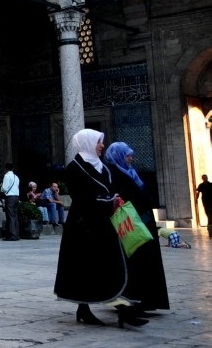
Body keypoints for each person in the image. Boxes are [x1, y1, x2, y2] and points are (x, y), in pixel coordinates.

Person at [53, 129, 146, 328]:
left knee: (110, 266)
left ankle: (124, 311)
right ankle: (85, 308)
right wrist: (107, 202)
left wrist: (116, 199)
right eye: (98, 142)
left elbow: (111, 189)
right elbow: (81, 198)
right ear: (88, 143)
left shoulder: (103, 166)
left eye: (102, 142)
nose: (102, 145)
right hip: (84, 227)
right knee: (87, 269)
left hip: (105, 225)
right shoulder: (74, 168)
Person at [105, 141, 169, 315]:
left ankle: (148, 300)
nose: (131, 158)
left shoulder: (131, 173)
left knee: (148, 262)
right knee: (135, 264)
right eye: (127, 155)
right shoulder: (113, 175)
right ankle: (133, 301)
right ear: (118, 156)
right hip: (131, 226)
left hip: (145, 222)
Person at [0, 162, 20, 241]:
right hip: (16, 197)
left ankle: (12, 235)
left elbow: (4, 188)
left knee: (10, 216)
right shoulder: (16, 177)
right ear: (13, 168)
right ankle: (17, 234)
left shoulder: (7, 176)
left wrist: (1, 187)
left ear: (6, 169)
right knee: (15, 216)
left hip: (10, 197)